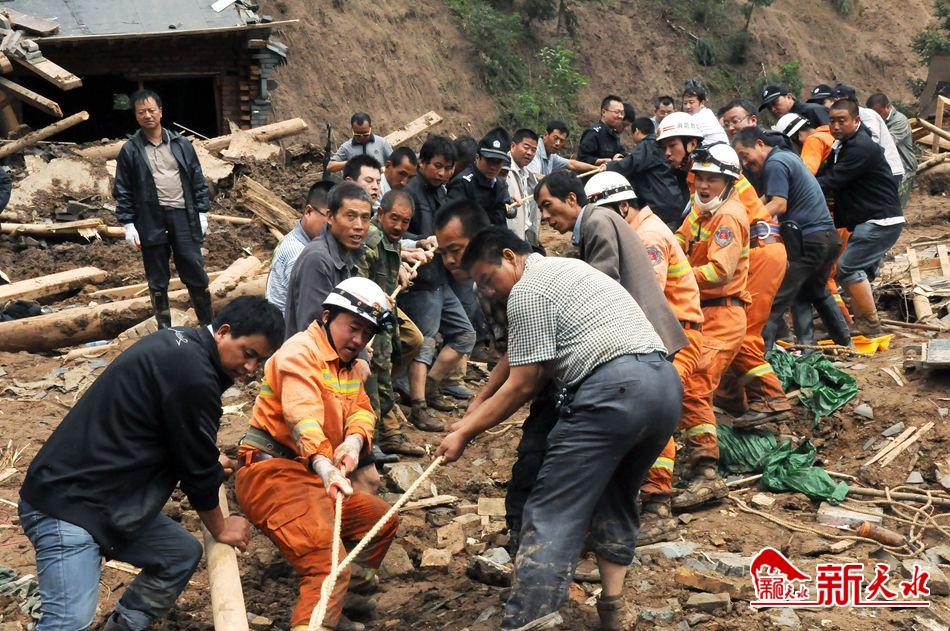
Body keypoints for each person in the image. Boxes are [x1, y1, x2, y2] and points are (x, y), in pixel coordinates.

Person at [436, 228, 681, 630]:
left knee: (553, 511)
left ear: (510, 257)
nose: (490, 291)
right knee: (615, 497)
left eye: (488, 279)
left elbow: (524, 384)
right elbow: (520, 357)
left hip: (611, 393)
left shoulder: (527, 291)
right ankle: (613, 610)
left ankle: (528, 619)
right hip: (664, 387)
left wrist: (464, 433)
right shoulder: (566, 271)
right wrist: (478, 405)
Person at [20, 296, 283, 631]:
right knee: (69, 621)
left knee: (178, 555)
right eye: (248, 353)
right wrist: (220, 527)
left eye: (259, 360)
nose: (250, 368)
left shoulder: (180, 345)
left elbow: (176, 435)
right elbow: (196, 472)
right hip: (67, 504)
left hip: (106, 497)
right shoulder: (194, 375)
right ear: (223, 332)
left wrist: (206, 455)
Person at [236, 279, 397, 631]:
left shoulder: (347, 364)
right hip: (271, 474)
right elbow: (302, 418)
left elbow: (362, 409)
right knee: (327, 566)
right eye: (353, 328)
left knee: (380, 521)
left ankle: (337, 602)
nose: (358, 340)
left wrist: (353, 442)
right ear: (327, 317)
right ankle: (320, 609)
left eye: (366, 333)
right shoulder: (300, 352)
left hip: (308, 475)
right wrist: (325, 466)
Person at [583, 170, 702, 540]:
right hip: (670, 333)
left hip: (673, 335)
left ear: (622, 207)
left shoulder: (647, 237)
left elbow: (646, 293)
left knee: (655, 414)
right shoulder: (638, 231)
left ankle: (657, 502)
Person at [673, 145, 750, 508]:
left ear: (728, 182)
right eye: (699, 178)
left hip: (722, 314)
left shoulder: (728, 217)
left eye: (712, 180)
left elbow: (720, 271)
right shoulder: (702, 211)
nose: (703, 185)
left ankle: (706, 472)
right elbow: (680, 239)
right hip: (704, 312)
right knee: (705, 384)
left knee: (694, 385)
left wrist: (678, 274)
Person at [732, 127, 851, 349]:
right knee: (817, 292)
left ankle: (760, 352)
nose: (745, 163)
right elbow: (766, 199)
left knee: (775, 298)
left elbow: (778, 204)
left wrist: (743, 224)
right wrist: (742, 209)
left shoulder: (775, 164)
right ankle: (843, 345)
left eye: (744, 156)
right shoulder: (786, 157)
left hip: (809, 239)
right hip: (827, 238)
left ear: (759, 144)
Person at [114, 89, 213, 329]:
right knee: (157, 278)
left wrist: (202, 212)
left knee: (194, 271)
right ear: (136, 116)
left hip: (183, 215)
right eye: (141, 112)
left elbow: (197, 179)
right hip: (150, 219)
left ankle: (208, 326)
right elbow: (123, 188)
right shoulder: (131, 150)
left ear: (160, 112)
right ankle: (164, 329)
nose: (147, 115)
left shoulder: (181, 144)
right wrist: (128, 223)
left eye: (151, 110)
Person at [401, 137, 476, 427]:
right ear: (422, 163)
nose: (443, 173)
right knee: (425, 342)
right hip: (420, 283)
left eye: (448, 168)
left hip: (440, 280)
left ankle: (430, 386)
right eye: (437, 166)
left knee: (465, 335)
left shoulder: (441, 192)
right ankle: (418, 405)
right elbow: (396, 232)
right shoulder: (409, 193)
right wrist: (421, 240)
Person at [819, 99, 904, 336]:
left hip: (879, 220)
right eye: (832, 121)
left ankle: (870, 324)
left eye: (841, 121)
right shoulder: (844, 145)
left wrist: (802, 188)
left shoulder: (860, 148)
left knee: (848, 267)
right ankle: (863, 324)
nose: (835, 126)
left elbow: (832, 180)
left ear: (856, 120)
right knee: (859, 273)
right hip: (872, 219)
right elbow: (827, 174)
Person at [357, 190, 428, 457]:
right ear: (380, 213)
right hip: (370, 318)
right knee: (375, 373)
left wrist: (399, 271)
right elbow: (360, 282)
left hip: (384, 313)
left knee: (399, 354)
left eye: (405, 221)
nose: (399, 226)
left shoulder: (391, 240)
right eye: (394, 218)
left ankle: (387, 432)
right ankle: (374, 439)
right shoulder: (372, 241)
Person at [284, 182, 373, 341]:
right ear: (330, 217)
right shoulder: (318, 259)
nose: (359, 226)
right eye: (351, 216)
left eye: (365, 218)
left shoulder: (350, 253)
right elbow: (314, 330)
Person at [608, 114, 689, 228]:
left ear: (637, 131)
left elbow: (628, 165)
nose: (667, 152)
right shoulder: (657, 145)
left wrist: (608, 166)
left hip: (660, 205)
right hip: (672, 201)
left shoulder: (647, 145)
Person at [267, 181, 333, 312]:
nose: (334, 225)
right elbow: (308, 312)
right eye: (329, 218)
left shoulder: (297, 238)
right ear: (308, 211)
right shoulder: (299, 255)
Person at [831, 84, 905, 183]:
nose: (832, 103)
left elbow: (872, 141)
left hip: (889, 170)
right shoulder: (844, 120)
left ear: (845, 99)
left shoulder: (867, 114)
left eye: (834, 100)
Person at [447, 128, 512, 226]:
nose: (493, 167)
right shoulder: (463, 183)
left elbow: (501, 219)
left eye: (498, 162)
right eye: (489, 161)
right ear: (477, 158)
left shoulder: (500, 185)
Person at [867, 92, 918, 206]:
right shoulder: (875, 120)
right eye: (873, 114)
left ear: (888, 107)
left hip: (904, 170)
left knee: (893, 205)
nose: (876, 116)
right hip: (887, 169)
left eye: (879, 113)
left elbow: (886, 144)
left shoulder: (899, 121)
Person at [656, 111, 706, 221]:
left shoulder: (710, 173)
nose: (667, 153)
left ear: (692, 144)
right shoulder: (682, 174)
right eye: (664, 148)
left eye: (672, 145)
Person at [506, 128, 541, 247]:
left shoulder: (526, 173)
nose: (530, 153)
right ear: (513, 146)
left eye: (534, 150)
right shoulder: (503, 171)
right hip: (510, 237)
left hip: (523, 232)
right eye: (526, 147)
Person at [326, 112, 393, 173]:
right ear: (352, 129)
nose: (361, 137)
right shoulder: (346, 147)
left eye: (365, 134)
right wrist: (351, 163)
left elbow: (396, 163)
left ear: (370, 128)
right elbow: (330, 166)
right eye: (357, 134)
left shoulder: (382, 143)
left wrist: (383, 169)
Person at [527, 121, 597, 176]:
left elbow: (571, 164)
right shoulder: (534, 151)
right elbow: (535, 176)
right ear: (545, 135)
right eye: (555, 138)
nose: (558, 143)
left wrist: (597, 168)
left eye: (561, 141)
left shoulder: (551, 155)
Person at [577, 95, 627, 165]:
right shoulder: (594, 133)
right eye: (617, 112)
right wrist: (609, 161)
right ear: (603, 112)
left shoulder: (614, 134)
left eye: (622, 113)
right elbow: (583, 159)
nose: (620, 116)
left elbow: (622, 153)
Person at [759, 85, 829, 129]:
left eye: (775, 103)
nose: (772, 109)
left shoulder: (813, 111)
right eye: (769, 107)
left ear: (789, 97)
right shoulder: (783, 125)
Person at [682, 79, 728, 144]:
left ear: (702, 103)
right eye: (685, 103)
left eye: (691, 102)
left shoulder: (701, 117)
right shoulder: (706, 112)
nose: (687, 106)